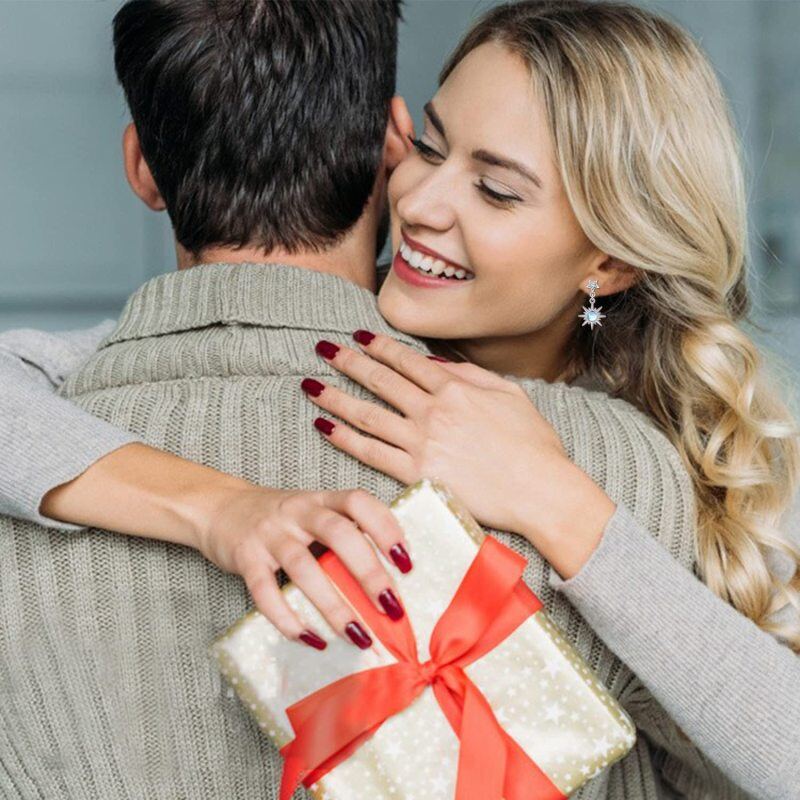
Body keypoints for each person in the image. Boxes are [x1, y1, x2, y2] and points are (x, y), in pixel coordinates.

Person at [0, 1, 798, 799]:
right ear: (387, 141)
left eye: (495, 189)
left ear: (611, 262)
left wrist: (562, 504)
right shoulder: (624, 462)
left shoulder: (626, 475)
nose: (419, 203)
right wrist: (223, 508)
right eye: (429, 147)